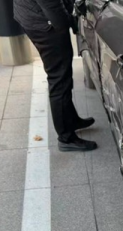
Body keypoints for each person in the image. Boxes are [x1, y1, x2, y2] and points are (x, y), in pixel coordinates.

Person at [13, 0, 98, 152]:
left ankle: (71, 120)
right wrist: (67, 24)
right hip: (46, 25)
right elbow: (53, 7)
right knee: (59, 79)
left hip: (36, 17)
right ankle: (66, 138)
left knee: (63, 75)